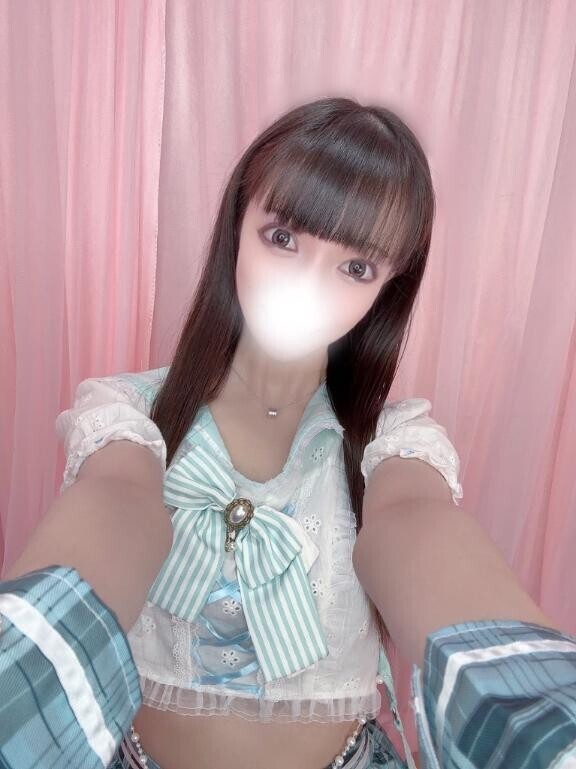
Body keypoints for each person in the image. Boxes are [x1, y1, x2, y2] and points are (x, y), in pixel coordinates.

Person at [2, 96, 575, 769]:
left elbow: (415, 525)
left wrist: (542, 723)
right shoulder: (131, 416)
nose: (307, 284)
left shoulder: (392, 444)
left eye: (356, 267)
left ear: (388, 288)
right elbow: (116, 502)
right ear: (237, 226)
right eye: (282, 238)